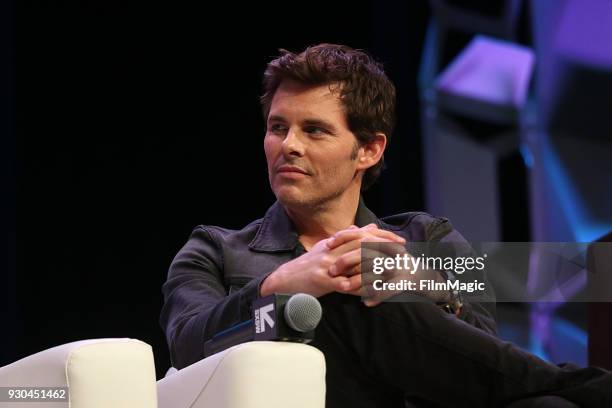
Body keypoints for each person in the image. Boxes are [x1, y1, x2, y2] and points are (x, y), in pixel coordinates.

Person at [160, 43, 611, 407]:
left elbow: (479, 353)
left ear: (369, 150)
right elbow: (187, 345)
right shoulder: (212, 250)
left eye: (314, 130)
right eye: (278, 127)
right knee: (341, 292)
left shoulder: (430, 236)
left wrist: (426, 283)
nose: (288, 145)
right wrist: (280, 285)